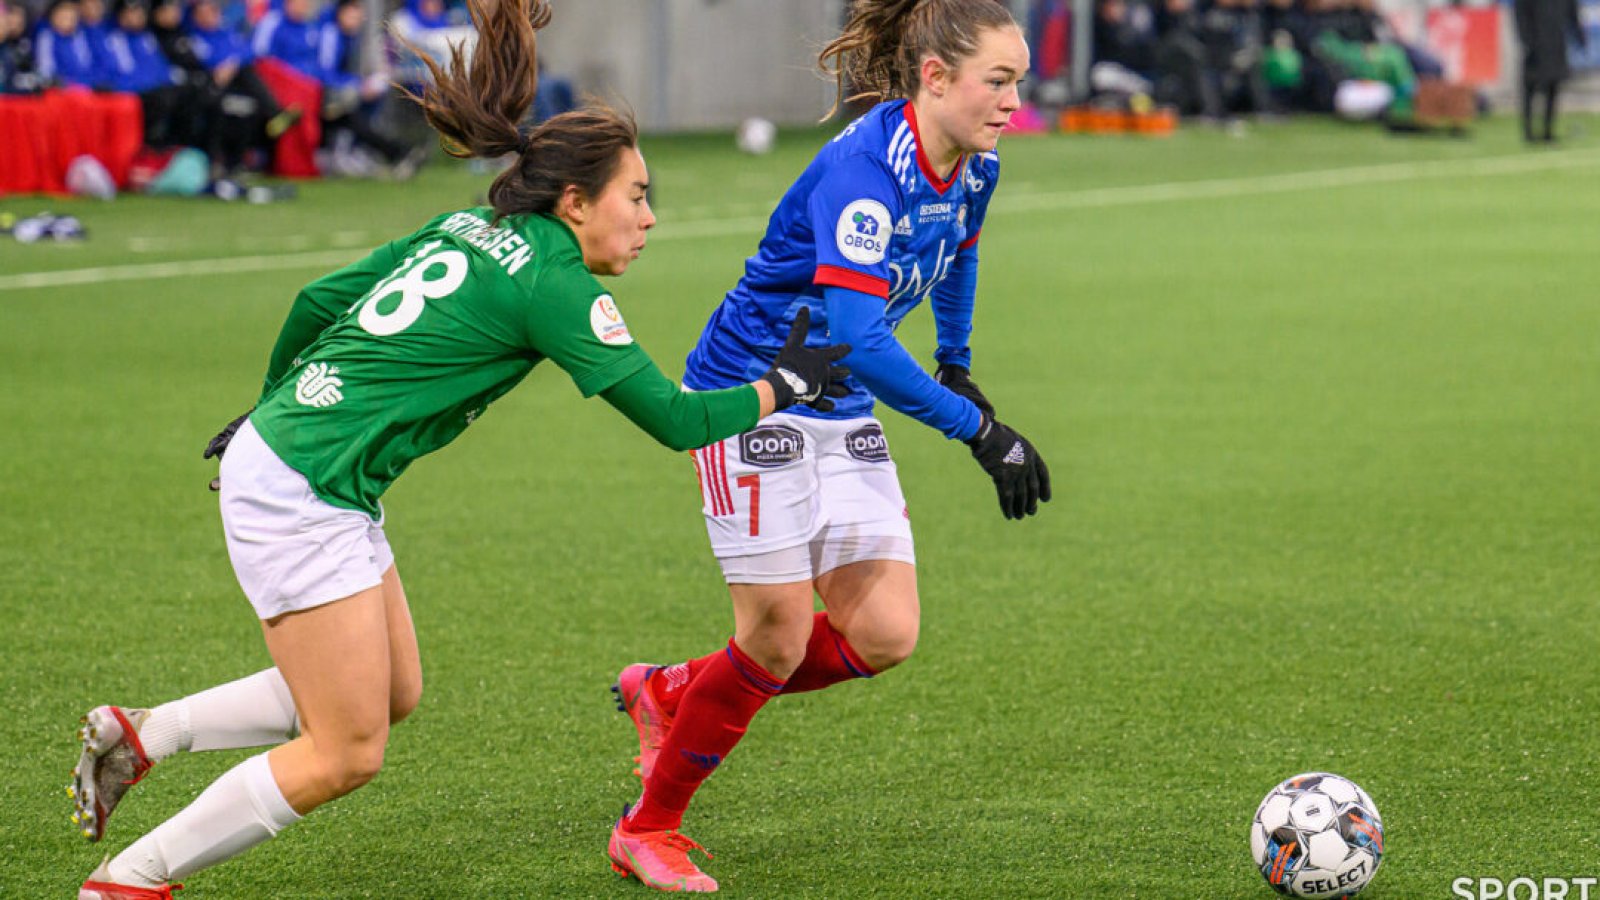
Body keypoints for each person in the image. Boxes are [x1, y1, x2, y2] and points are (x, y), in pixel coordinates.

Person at [68, 0, 851, 895]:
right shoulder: (555, 285)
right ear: (574, 201)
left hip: (307, 464)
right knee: (347, 749)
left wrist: (270, 409)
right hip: (304, 486)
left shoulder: (465, 228)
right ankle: (128, 880)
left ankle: (146, 735)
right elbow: (676, 422)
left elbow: (317, 302)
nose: (648, 218)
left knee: (393, 690)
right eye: (637, 197)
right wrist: (783, 387)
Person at [606, 0, 1051, 891]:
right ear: (935, 78)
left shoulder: (975, 163)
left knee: (884, 632)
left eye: (1018, 82)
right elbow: (856, 337)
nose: (1012, 101)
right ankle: (647, 827)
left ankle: (672, 691)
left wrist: (958, 365)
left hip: (837, 403)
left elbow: (958, 254)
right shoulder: (863, 173)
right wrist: (981, 432)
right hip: (755, 399)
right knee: (773, 640)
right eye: (998, 81)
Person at [1514, 0, 1587, 143]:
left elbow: (1572, 14)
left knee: (1553, 88)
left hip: (1556, 44)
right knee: (1530, 89)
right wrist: (1527, 41)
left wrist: (1580, 36)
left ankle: (1548, 131)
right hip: (1534, 46)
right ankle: (1528, 132)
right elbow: (1521, 14)